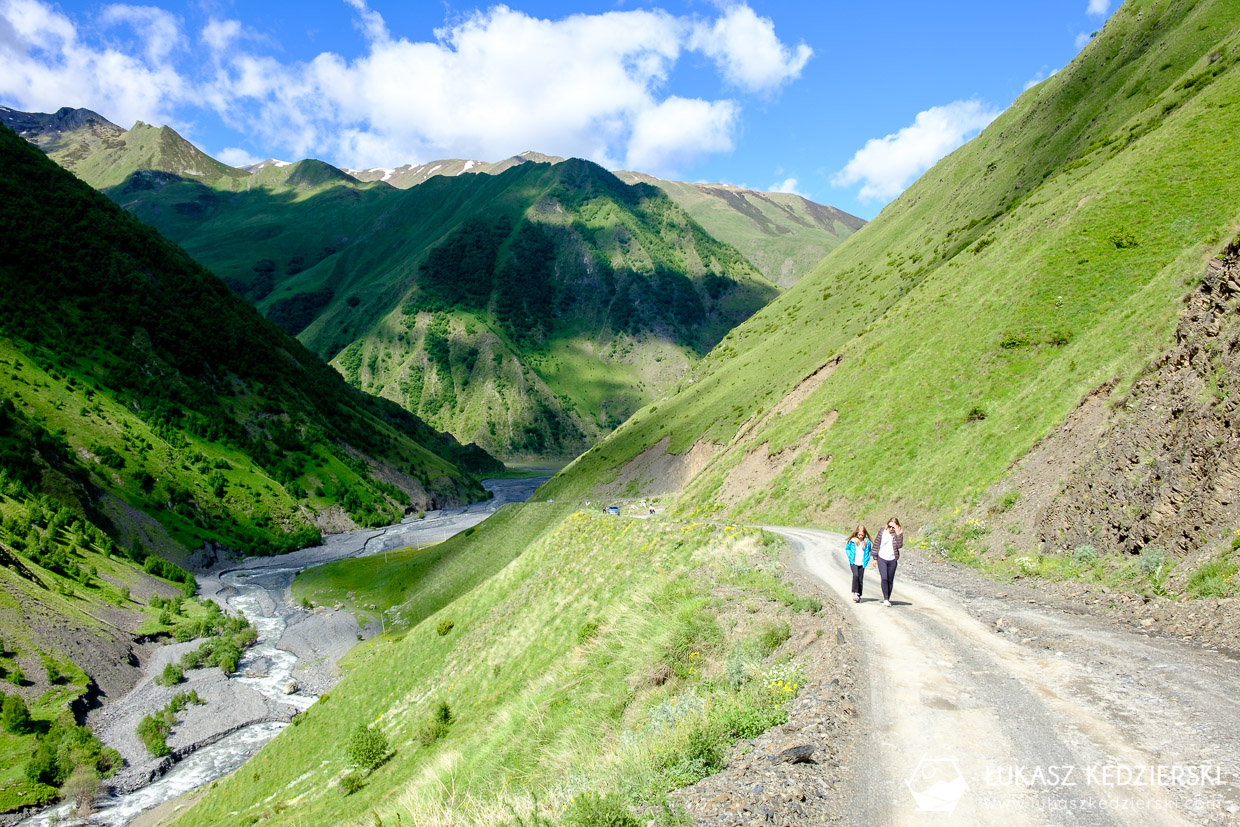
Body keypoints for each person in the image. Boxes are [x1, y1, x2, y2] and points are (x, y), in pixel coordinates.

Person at [875, 517, 904, 606]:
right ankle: (886, 599)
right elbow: (876, 544)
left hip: (892, 559)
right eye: (890, 526)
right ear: (887, 525)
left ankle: (888, 597)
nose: (891, 529)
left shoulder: (897, 535)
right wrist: (875, 558)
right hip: (882, 558)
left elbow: (899, 546)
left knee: (890, 580)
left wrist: (898, 533)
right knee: (884, 578)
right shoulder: (882, 532)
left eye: (893, 527)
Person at [844, 525, 871, 603]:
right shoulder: (853, 541)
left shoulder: (867, 542)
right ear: (856, 533)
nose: (860, 536)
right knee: (855, 575)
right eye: (859, 535)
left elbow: (869, 551)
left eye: (862, 535)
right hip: (854, 562)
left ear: (864, 534)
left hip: (862, 563)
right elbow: (847, 548)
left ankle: (859, 594)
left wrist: (867, 558)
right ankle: (855, 593)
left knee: (860, 578)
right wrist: (849, 556)